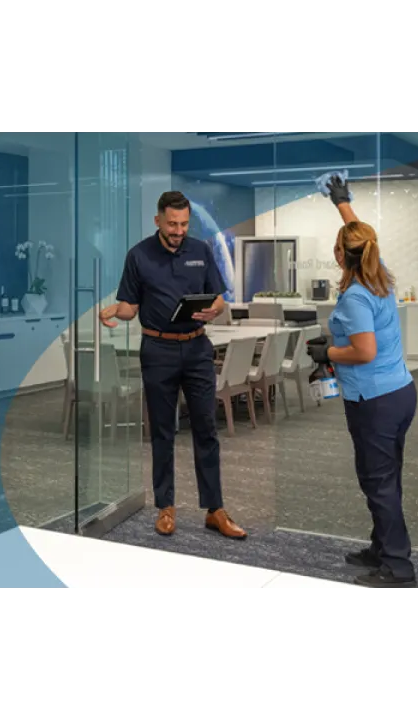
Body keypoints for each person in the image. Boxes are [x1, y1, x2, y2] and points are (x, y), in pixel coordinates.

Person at [99, 191, 247, 540]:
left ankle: (215, 509)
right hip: (157, 350)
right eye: (172, 224)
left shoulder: (201, 250)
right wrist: (112, 311)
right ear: (158, 221)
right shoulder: (138, 255)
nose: (179, 230)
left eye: (183, 224)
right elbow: (129, 307)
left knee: (207, 430)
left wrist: (215, 309)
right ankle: (165, 508)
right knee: (164, 432)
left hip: (196, 347)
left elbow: (219, 298)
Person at [306, 174, 418, 588]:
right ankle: (382, 547)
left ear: (340, 255)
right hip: (400, 393)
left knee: (378, 481)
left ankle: (398, 567)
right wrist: (342, 202)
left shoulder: (355, 295)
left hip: (375, 400)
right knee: (386, 477)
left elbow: (364, 351)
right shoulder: (378, 273)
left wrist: (327, 353)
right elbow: (360, 236)